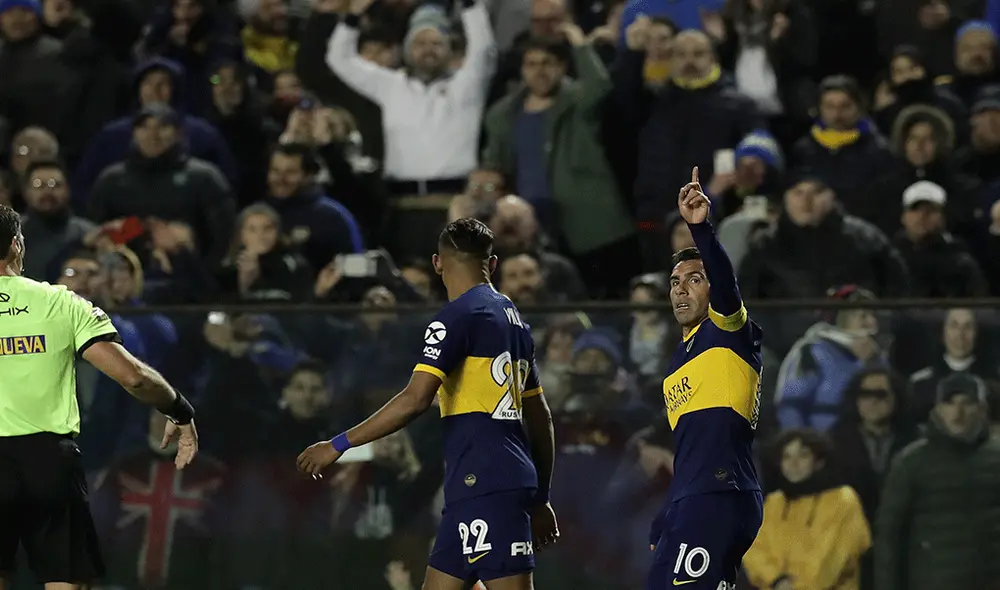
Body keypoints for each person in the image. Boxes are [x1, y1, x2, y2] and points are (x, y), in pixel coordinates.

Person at [297, 218, 559, 590]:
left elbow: (414, 399)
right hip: (478, 486)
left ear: (438, 264)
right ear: (494, 264)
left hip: (486, 482)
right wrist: (541, 496)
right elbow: (541, 416)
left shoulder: (455, 317)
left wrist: (338, 444)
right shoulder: (516, 324)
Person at [0, 204, 199, 590]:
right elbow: (134, 377)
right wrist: (180, 410)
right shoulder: (60, 303)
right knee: (66, 580)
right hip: (47, 462)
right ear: (16, 246)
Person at [649, 168, 764, 590]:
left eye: (695, 280)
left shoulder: (728, 330)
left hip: (721, 495)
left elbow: (727, 282)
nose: (681, 290)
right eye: (675, 283)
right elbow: (692, 452)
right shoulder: (677, 362)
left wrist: (700, 228)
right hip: (693, 499)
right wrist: (669, 511)